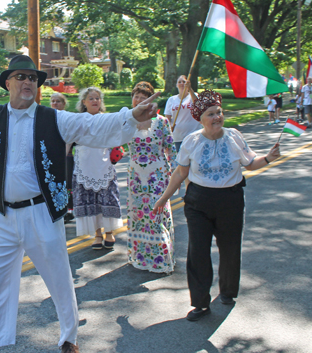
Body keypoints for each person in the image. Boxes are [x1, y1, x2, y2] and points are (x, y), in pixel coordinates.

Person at [0, 55, 160, 353]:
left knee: (59, 276)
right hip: (1, 214)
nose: (27, 82)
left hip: (42, 212)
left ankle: (69, 339)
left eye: (32, 78)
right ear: (8, 82)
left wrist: (131, 117)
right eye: (21, 77)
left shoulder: (54, 118)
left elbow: (93, 127)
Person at [153, 90, 280, 322]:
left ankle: (228, 291)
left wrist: (269, 157)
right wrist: (163, 198)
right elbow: (180, 173)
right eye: (211, 114)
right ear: (201, 118)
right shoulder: (191, 141)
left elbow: (251, 164)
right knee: (198, 252)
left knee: (230, 249)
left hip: (230, 201)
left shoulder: (234, 136)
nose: (216, 117)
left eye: (219, 112)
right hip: (198, 202)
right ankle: (200, 303)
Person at [126, 82, 177, 273]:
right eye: (136, 96)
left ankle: (161, 259)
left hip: (158, 176)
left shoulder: (162, 122)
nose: (139, 100)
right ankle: (140, 256)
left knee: (157, 215)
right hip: (135, 177)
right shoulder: (127, 121)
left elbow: (171, 150)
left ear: (150, 101)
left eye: (143, 97)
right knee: (138, 215)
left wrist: (176, 178)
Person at [72, 87, 123, 249]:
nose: (95, 101)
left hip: (103, 162)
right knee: (90, 199)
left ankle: (109, 233)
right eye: (91, 98)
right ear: (84, 102)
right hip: (84, 163)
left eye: (97, 98)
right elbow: (69, 139)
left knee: (107, 197)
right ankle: (97, 234)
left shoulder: (107, 119)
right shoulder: (78, 120)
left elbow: (117, 138)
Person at [49, 92, 75, 222]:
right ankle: (57, 209)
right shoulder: (48, 118)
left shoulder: (68, 118)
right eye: (53, 101)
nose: (55, 103)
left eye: (58, 101)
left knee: (67, 183)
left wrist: (61, 155)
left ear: (64, 104)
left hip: (66, 156)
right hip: (50, 156)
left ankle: (68, 210)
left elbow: (70, 138)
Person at [164, 75, 202, 152]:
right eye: (179, 82)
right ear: (176, 85)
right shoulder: (171, 100)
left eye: (184, 82)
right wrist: (169, 128)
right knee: (179, 161)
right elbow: (167, 118)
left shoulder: (194, 96)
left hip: (194, 136)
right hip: (177, 137)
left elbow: (198, 105)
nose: (182, 83)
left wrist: (190, 89)